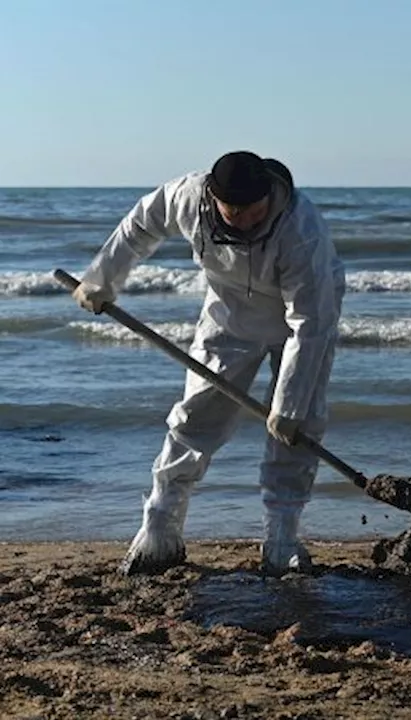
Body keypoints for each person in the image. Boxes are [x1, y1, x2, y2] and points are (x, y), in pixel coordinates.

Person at [72, 151, 346, 575]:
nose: (243, 219)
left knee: (298, 427)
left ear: (269, 198)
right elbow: (141, 225)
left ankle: (281, 538)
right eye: (233, 211)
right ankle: (160, 527)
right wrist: (101, 280)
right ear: (213, 198)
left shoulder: (300, 230)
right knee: (195, 415)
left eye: (254, 211)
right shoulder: (188, 197)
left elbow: (310, 326)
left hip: (303, 320)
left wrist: (288, 407)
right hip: (229, 313)